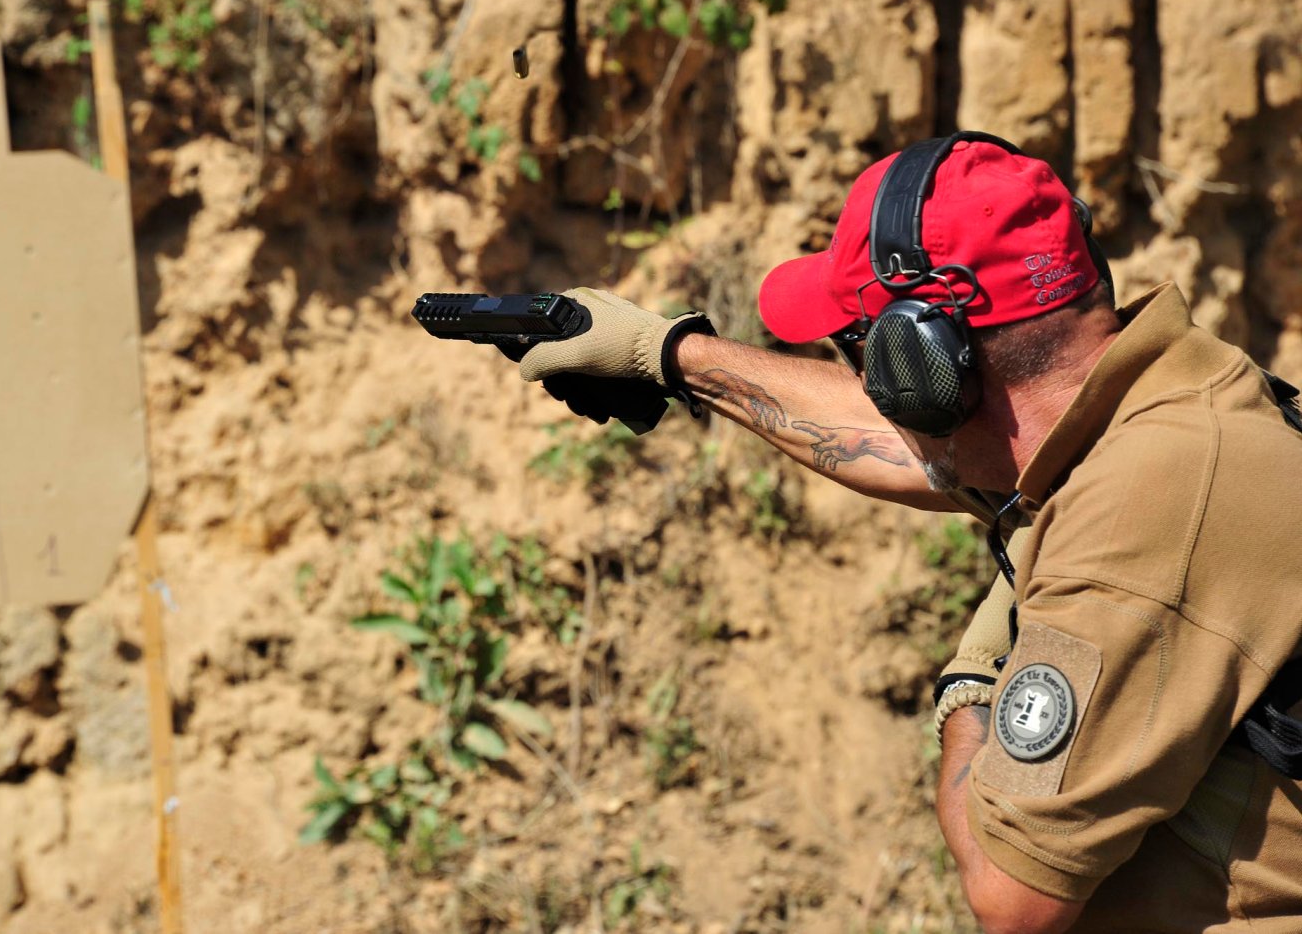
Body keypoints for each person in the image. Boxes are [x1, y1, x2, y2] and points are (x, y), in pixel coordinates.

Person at [517, 132, 1302, 932]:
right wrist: (666, 354)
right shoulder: (1178, 402)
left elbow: (1011, 894)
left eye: (860, 353)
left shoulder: (1132, 526)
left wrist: (974, 680)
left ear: (924, 368)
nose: (869, 385)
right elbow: (914, 443)